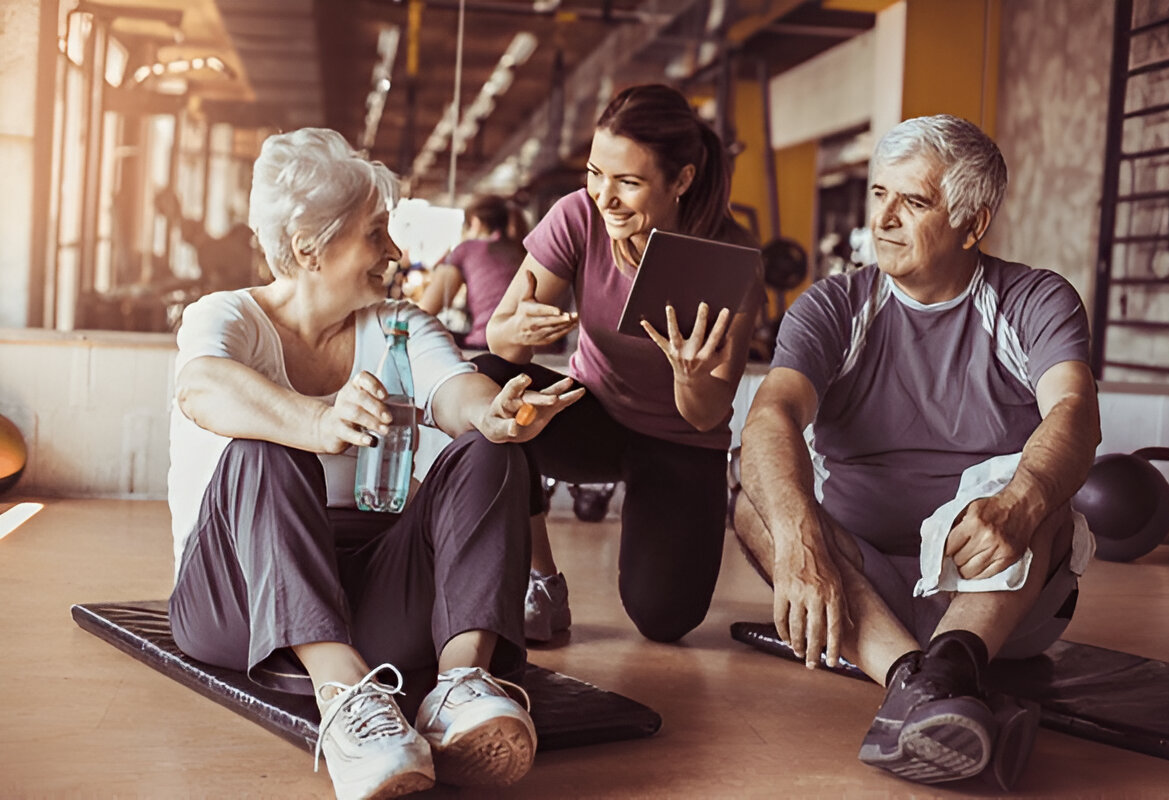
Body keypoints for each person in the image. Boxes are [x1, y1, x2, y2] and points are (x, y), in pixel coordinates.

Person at [166, 128, 583, 799]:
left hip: (371, 589)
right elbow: (202, 387)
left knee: (492, 450)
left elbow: (456, 392)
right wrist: (316, 420)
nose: (394, 252)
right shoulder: (227, 317)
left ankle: (459, 688)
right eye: (376, 233)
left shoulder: (399, 324)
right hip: (237, 603)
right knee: (262, 445)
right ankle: (343, 701)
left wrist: (495, 411)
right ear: (309, 247)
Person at [733, 114, 1101, 789]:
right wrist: (800, 539)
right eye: (879, 195)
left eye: (914, 201)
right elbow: (770, 418)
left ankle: (954, 661)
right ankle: (922, 683)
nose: (885, 218)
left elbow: (1075, 413)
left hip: (995, 592)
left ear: (973, 222)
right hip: (859, 593)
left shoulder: (1031, 299)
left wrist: (1020, 501)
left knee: (1041, 491)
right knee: (758, 506)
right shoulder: (834, 305)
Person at [479, 83, 763, 644]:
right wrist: (519, 331)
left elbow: (707, 416)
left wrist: (688, 374)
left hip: (682, 443)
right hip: (593, 418)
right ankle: (543, 583)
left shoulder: (729, 258)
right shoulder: (577, 217)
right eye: (595, 173)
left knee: (665, 619)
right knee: (486, 381)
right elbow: (500, 347)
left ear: (681, 180)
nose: (603, 196)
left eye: (628, 183)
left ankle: (656, 521)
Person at [418, 194, 528, 350]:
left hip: (489, 345)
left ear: (475, 222)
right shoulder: (522, 251)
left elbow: (427, 310)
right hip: (537, 347)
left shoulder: (468, 248)